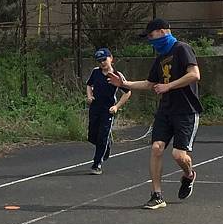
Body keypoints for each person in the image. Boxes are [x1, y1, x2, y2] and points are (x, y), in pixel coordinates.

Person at [107, 19, 202, 209]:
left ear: (161, 32)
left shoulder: (182, 49)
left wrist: (169, 86)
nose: (150, 41)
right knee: (157, 148)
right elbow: (150, 83)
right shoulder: (159, 59)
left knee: (178, 155)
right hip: (165, 110)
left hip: (185, 111)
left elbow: (194, 75)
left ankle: (189, 175)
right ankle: (156, 195)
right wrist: (125, 84)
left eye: (151, 36)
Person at [86, 47, 131, 175]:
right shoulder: (95, 72)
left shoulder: (117, 75)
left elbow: (127, 92)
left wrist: (117, 106)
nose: (102, 63)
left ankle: (97, 164)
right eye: (99, 61)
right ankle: (107, 144)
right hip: (95, 107)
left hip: (108, 110)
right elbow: (89, 85)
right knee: (92, 136)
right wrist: (89, 96)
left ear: (111, 58)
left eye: (104, 60)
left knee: (102, 136)